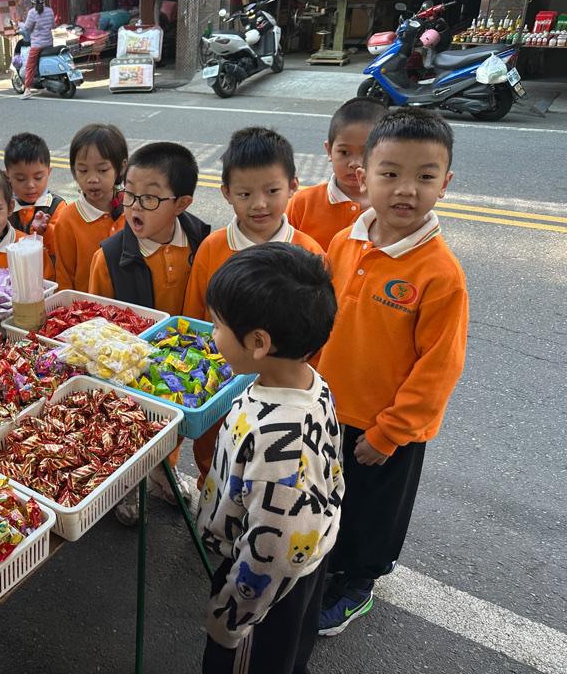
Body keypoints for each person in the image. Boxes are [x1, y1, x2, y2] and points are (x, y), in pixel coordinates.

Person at [316, 108, 468, 636]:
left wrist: (390, 433)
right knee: (330, 497)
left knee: (373, 515)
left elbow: (439, 368)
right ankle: (328, 562)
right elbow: (323, 320)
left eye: (425, 176)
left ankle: (356, 586)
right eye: (391, 173)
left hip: (386, 428)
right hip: (330, 408)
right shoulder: (345, 241)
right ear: (364, 177)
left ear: (445, 184)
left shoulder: (440, 274)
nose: (406, 189)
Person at [198, 242, 342, 674]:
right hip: (301, 562)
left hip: (265, 590)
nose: (212, 335)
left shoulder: (280, 449)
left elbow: (273, 554)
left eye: (217, 325)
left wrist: (231, 619)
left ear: (258, 343)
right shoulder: (306, 381)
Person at [182, 127, 324, 490]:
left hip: (281, 388)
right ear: (227, 193)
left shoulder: (309, 253)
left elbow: (318, 330)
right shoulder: (213, 248)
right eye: (245, 194)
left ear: (293, 186)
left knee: (270, 465)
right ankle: (209, 491)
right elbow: (195, 318)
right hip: (220, 381)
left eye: (272, 191)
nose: (259, 204)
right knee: (216, 448)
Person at [88, 142, 211, 524]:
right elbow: (99, 325)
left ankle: (163, 469)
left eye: (151, 198)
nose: (135, 206)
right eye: (129, 194)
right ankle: (126, 482)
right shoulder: (110, 257)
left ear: (181, 204)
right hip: (129, 367)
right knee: (129, 424)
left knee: (173, 424)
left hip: (180, 363)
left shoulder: (201, 243)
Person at [286, 97, 389, 250]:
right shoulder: (303, 203)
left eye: (366, 153)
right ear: (329, 151)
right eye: (344, 152)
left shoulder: (393, 207)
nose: (355, 163)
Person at [52, 124, 128, 292]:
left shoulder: (132, 210)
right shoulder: (68, 219)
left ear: (121, 167)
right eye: (83, 170)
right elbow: (64, 276)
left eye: (102, 170)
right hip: (86, 306)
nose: (92, 179)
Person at [4, 132, 66, 267]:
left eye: (38, 178)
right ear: (7, 176)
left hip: (47, 272)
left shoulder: (57, 206)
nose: (30, 185)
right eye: (20, 179)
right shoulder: (3, 206)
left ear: (48, 172)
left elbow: (62, 245)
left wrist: (44, 230)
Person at [19, 0, 56, 100]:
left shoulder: (32, 13)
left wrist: (19, 24)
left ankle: (27, 90)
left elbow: (26, 27)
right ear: (44, 0)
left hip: (37, 45)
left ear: (32, 1)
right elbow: (53, 25)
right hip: (49, 43)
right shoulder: (50, 11)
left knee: (30, 66)